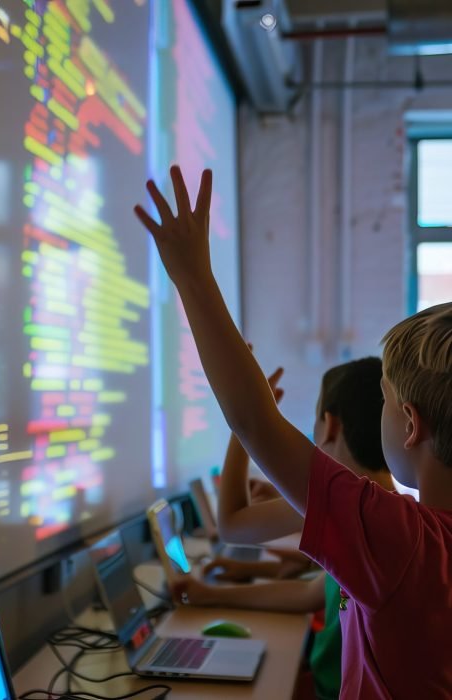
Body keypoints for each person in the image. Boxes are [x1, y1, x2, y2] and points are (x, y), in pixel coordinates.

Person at [134, 166, 452, 698]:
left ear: (411, 424)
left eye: (387, 403)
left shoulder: (406, 540)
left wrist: (192, 275)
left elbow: (255, 422)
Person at [174, 357, 394, 700]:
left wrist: (243, 422)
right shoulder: (392, 511)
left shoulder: (348, 504)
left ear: (330, 426)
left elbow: (232, 522)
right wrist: (212, 594)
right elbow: (311, 595)